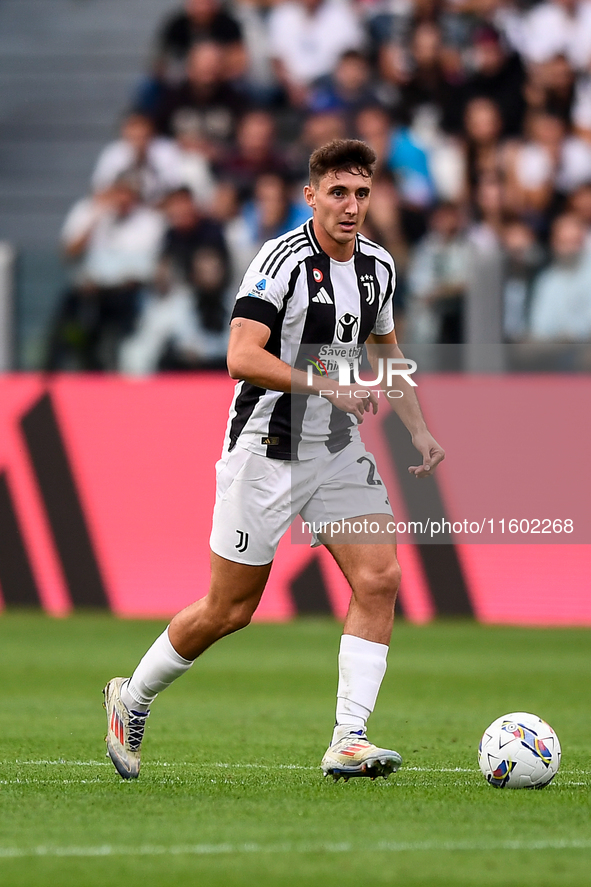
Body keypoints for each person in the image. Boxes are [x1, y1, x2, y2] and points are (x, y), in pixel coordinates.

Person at [103, 139, 445, 782]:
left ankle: (349, 737)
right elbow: (240, 356)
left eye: (362, 193)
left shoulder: (378, 267)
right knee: (229, 610)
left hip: (338, 448)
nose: (351, 206)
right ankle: (134, 695)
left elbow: (388, 354)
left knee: (380, 580)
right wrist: (325, 385)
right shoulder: (280, 261)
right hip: (266, 450)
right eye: (338, 193)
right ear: (311, 196)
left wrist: (419, 429)